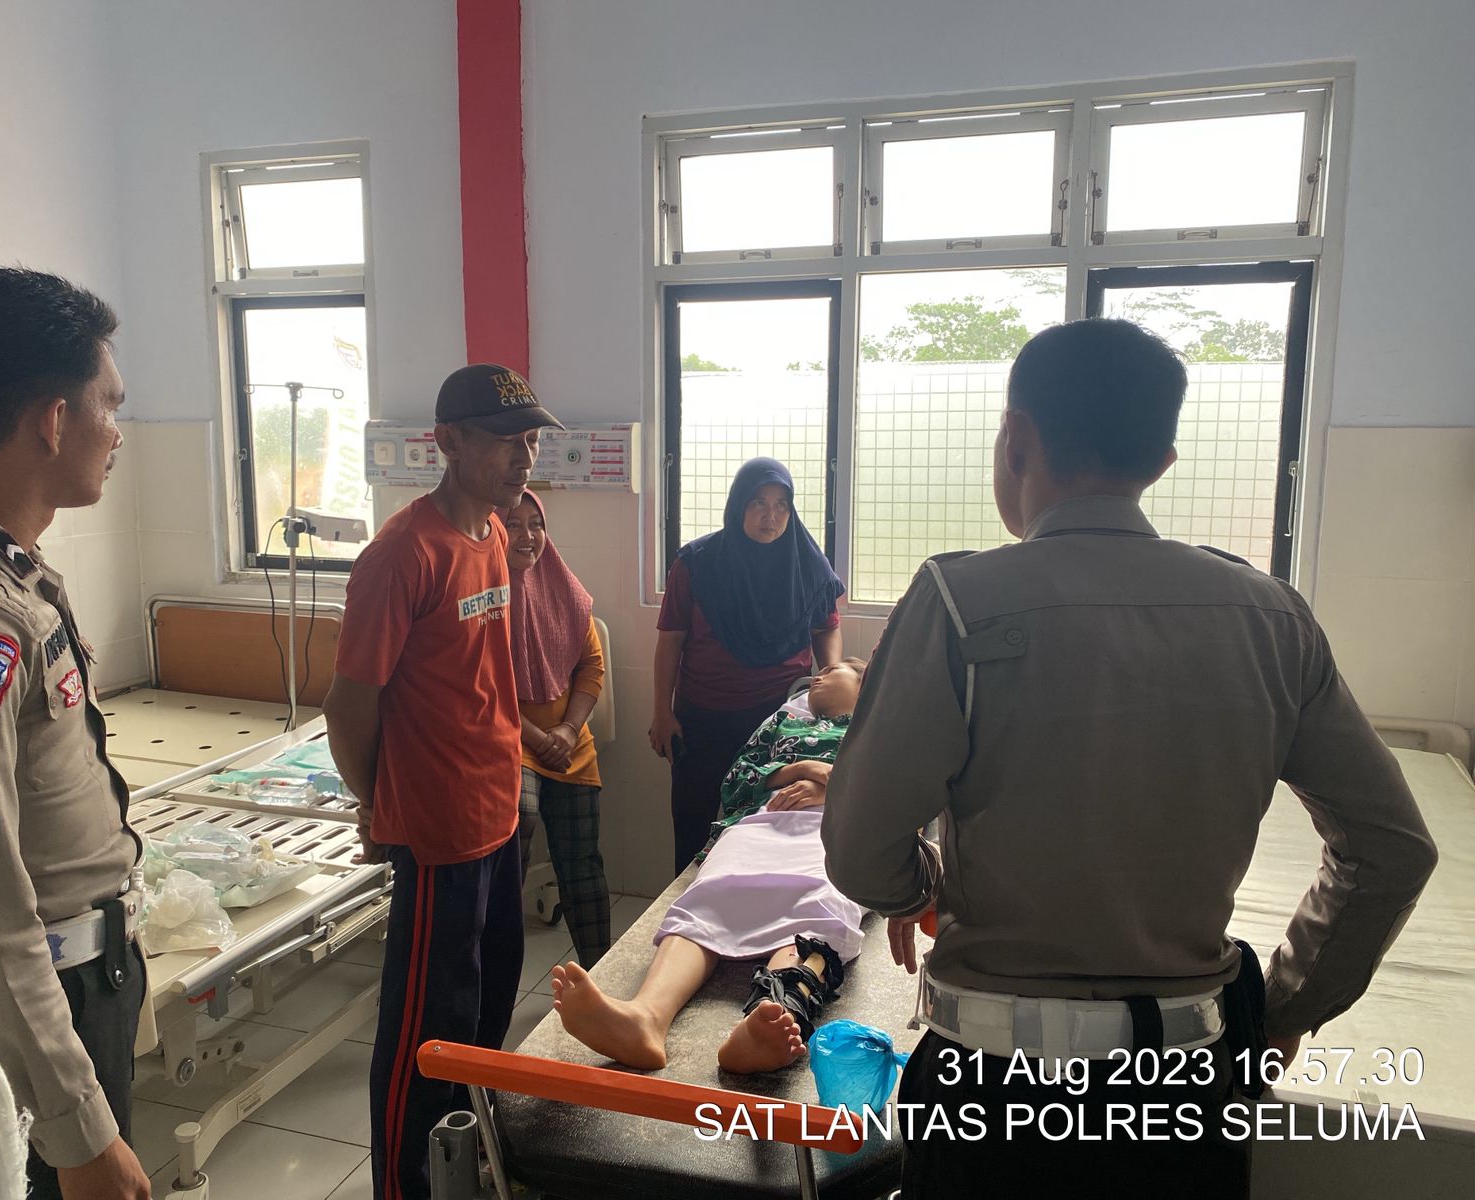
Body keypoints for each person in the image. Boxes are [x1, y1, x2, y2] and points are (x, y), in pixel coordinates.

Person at [821, 318, 1439, 1199]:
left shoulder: (959, 603)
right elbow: (1392, 849)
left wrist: (918, 888)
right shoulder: (1272, 618)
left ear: (1015, 438)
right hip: (1188, 1091)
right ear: (1163, 460)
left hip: (994, 1089)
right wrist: (1288, 1005)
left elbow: (859, 848)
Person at [0, 265, 148, 1200]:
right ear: (53, 420)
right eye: (109, 405)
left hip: (88, 979)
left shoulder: (6, 568)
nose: (118, 431)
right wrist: (76, 1128)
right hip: (45, 1009)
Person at [323, 364, 563, 1200]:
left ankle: (469, 1159)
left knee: (486, 1014)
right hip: (440, 832)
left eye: (530, 441)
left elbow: (481, 677)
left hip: (501, 812)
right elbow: (349, 706)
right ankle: (406, 1186)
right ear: (448, 442)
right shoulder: (401, 556)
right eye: (504, 441)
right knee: (426, 1036)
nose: (523, 458)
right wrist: (377, 804)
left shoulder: (493, 534)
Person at [554, 660, 867, 1074]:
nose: (819, 675)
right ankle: (645, 1017)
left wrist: (834, 789)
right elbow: (736, 781)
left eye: (836, 669)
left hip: (834, 833)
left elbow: (899, 801)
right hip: (762, 825)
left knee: (819, 906)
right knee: (709, 894)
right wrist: (804, 768)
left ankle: (772, 1017)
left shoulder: (877, 735)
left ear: (867, 684)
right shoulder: (782, 724)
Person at [650, 457, 846, 870]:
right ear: (739, 504)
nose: (770, 516)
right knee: (694, 827)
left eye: (781, 505)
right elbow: (670, 641)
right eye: (758, 502)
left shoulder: (808, 564)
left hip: (779, 724)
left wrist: (833, 689)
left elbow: (826, 628)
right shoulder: (697, 563)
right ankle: (688, 906)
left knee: (766, 830)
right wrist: (661, 713)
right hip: (703, 720)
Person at [503, 488, 613, 968]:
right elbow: (483, 687)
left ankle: (601, 977)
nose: (527, 536)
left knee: (582, 862)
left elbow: (591, 667)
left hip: (568, 741)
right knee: (519, 823)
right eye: (512, 524)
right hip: (510, 739)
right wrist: (537, 737)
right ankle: (498, 974)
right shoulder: (484, 597)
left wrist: (568, 731)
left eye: (536, 524)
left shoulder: (564, 590)